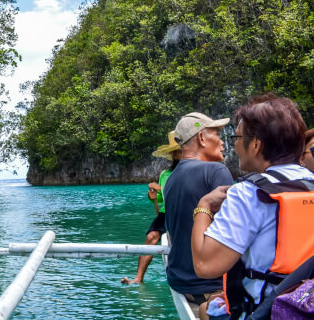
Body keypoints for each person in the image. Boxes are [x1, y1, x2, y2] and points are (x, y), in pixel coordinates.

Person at [191, 95, 314, 319]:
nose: (235, 145)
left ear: (256, 144)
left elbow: (205, 265)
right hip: (306, 305)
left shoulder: (249, 194)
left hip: (266, 312)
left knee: (206, 311)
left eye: (237, 137)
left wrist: (204, 205)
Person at [163, 112, 233, 315]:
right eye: (217, 135)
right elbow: (231, 235)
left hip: (181, 282)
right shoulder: (216, 171)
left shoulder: (170, 179)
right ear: (202, 138)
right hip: (211, 287)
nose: (222, 143)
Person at [121, 131, 181, 284]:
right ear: (173, 154)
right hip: (166, 213)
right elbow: (161, 199)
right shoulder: (165, 174)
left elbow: (183, 192)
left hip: (184, 213)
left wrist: (161, 188)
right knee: (150, 237)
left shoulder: (192, 171)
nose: (180, 153)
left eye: (182, 149)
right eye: (177, 151)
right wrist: (153, 196)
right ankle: (138, 279)